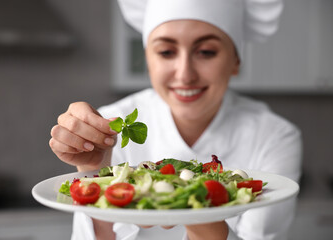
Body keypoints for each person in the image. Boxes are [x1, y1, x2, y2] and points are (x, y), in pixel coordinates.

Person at [49, 0, 302, 239]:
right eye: (167, 52)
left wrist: (197, 209)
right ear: (148, 60)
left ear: (235, 61)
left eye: (206, 52)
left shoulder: (274, 136)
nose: (185, 74)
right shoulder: (113, 122)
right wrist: (93, 170)